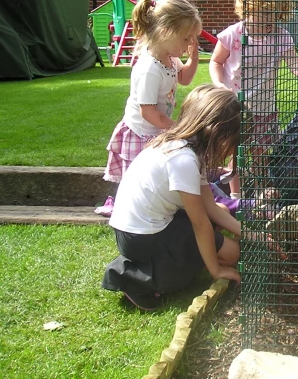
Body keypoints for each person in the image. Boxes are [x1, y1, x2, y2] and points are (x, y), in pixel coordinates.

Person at [102, 85, 242, 311]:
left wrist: (253, 236)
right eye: (233, 141)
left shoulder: (189, 149)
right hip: (140, 238)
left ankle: (180, 258)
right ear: (218, 134)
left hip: (141, 229)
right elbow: (200, 223)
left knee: (223, 212)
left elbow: (212, 208)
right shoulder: (183, 160)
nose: (231, 149)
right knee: (231, 253)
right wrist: (216, 270)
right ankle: (134, 277)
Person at [209, 0, 298, 194]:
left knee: (262, 153)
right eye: (262, 12)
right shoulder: (233, 34)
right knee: (236, 151)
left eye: (273, 13)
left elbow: (295, 64)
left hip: (264, 107)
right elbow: (216, 61)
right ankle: (236, 194)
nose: (268, 18)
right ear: (248, 8)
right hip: (236, 107)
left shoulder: (281, 36)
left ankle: (262, 189)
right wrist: (219, 84)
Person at [103, 0, 201, 185]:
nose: (190, 43)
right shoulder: (149, 69)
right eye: (186, 38)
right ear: (165, 33)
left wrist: (193, 59)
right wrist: (179, 128)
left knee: (154, 178)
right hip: (141, 134)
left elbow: (184, 78)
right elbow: (148, 112)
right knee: (137, 181)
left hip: (156, 129)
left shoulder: (169, 58)